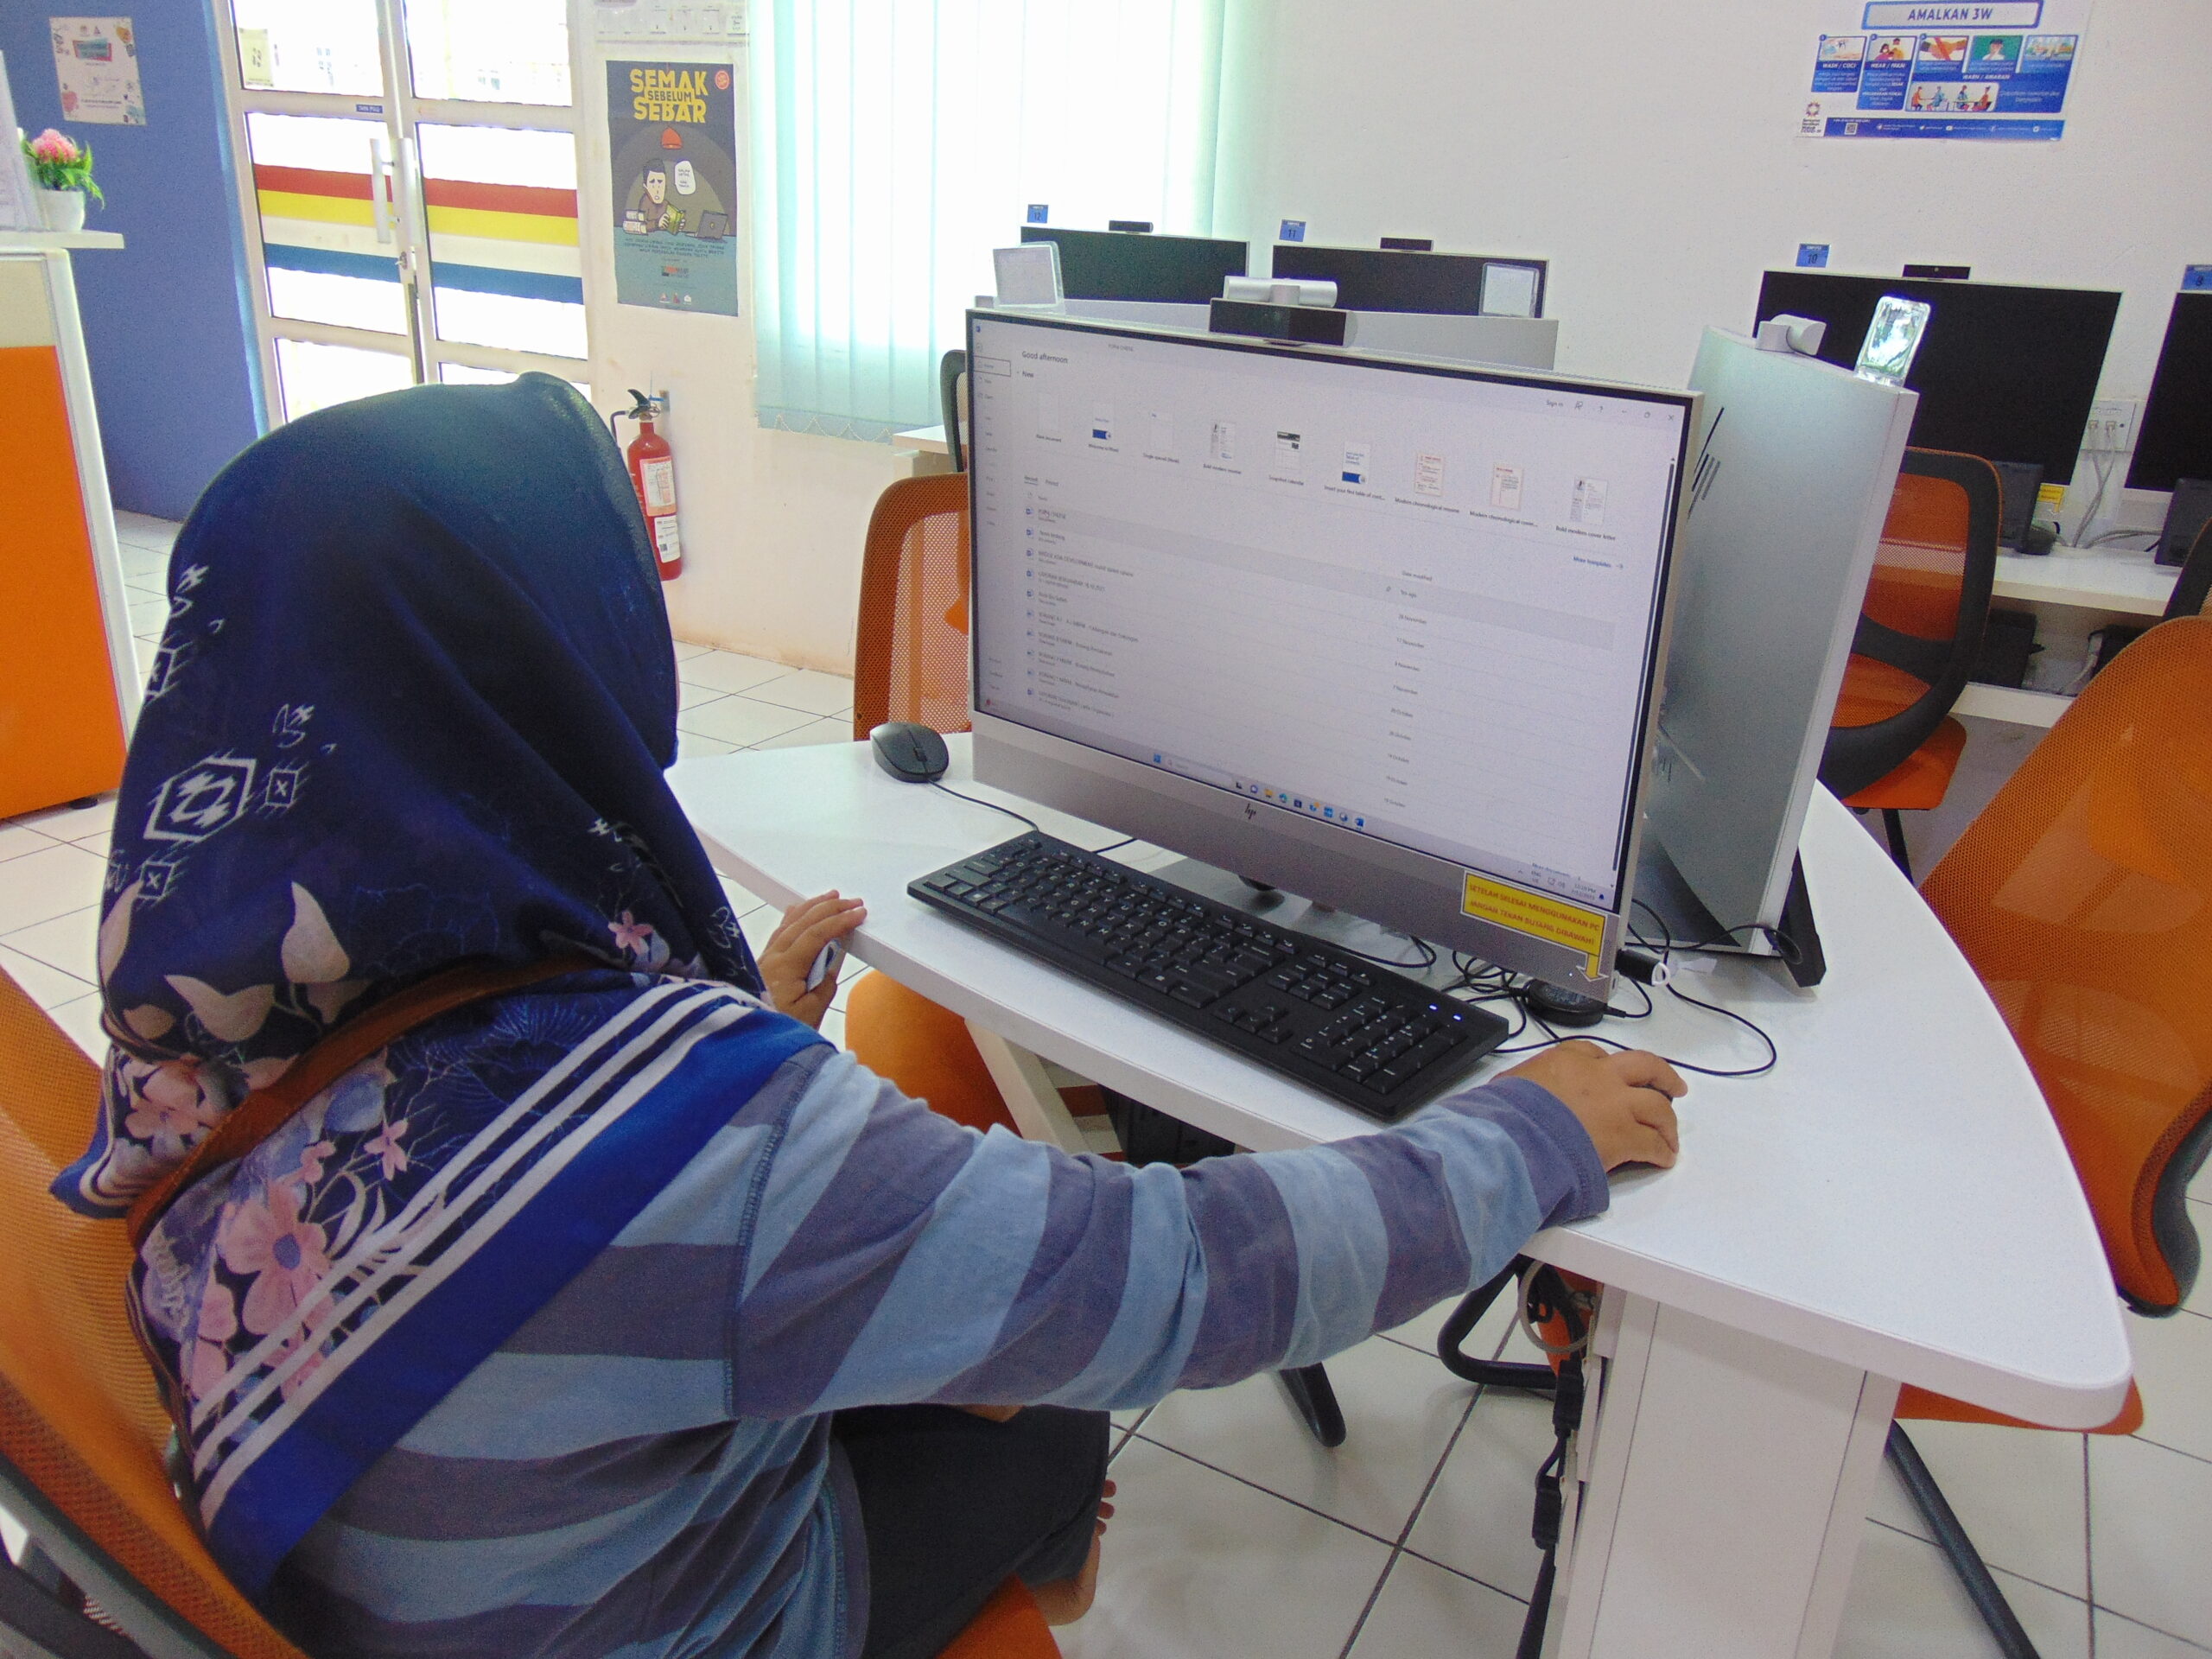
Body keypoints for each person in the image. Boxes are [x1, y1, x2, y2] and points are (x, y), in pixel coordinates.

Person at [56, 374, 1683, 1659]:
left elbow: (503, 1167)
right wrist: (1530, 1131)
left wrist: (713, 1023)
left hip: (407, 1581)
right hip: (668, 1624)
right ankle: (1030, 1559)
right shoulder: (712, 1138)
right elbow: (1185, 1276)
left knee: (939, 1314)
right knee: (1046, 1392)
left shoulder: (203, 1016)